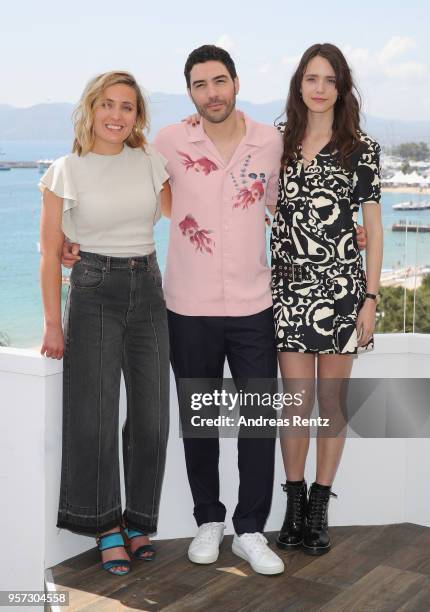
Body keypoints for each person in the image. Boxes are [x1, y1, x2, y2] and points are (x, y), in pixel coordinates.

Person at [39, 71, 170, 575]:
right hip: (93, 290)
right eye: (108, 105)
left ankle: (139, 520)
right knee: (93, 417)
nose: (117, 116)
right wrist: (54, 323)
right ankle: (105, 525)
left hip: (148, 287)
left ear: (138, 117)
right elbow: (51, 254)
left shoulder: (150, 161)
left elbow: (188, 213)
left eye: (128, 107)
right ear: (90, 109)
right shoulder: (65, 171)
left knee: (153, 419)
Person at [271, 43, 383, 556]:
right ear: (299, 85)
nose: (319, 88)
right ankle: (292, 505)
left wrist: (371, 297)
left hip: (341, 292)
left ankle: (319, 506)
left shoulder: (361, 148)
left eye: (329, 80)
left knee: (331, 404)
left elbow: (374, 231)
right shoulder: (277, 143)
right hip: (289, 290)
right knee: (295, 404)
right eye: (311, 78)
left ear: (342, 88)